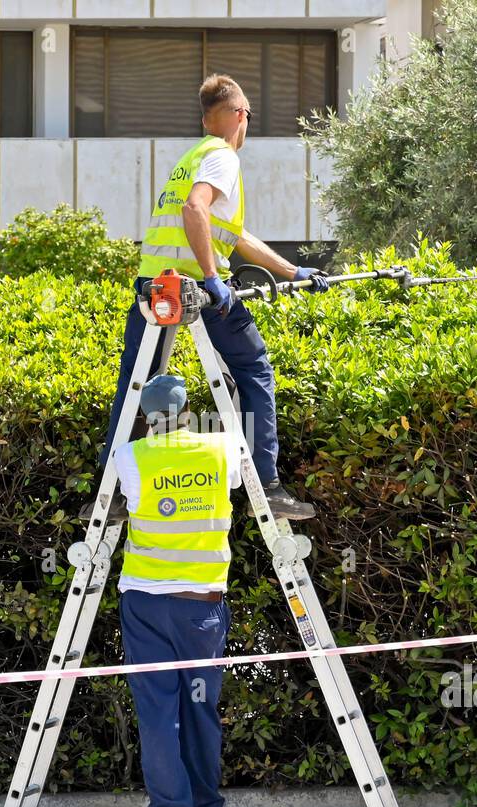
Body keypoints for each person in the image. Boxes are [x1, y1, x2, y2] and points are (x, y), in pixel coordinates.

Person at [89, 72, 328, 526]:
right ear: (240, 115)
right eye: (248, 116)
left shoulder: (193, 156)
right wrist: (215, 279)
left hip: (153, 290)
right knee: (254, 368)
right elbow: (195, 209)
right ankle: (268, 485)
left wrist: (292, 270)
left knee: (134, 383)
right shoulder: (223, 157)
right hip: (197, 293)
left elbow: (234, 235)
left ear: (205, 119)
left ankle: (113, 491)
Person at [113, 373, 241, 807]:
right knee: (200, 709)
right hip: (202, 606)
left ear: (145, 417)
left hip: (146, 603)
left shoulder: (131, 457)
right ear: (189, 410)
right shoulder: (221, 449)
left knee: (158, 713)